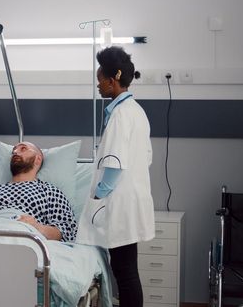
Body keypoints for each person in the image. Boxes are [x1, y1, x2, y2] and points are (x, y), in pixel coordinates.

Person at [76, 46, 154, 307]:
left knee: (125, 272)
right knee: (128, 269)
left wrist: (99, 194)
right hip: (132, 200)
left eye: (100, 81)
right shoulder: (137, 112)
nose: (98, 87)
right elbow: (147, 157)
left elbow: (115, 164)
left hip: (120, 204)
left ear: (113, 80)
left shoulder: (121, 115)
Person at [0, 142, 77, 242]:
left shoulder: (50, 191)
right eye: (14, 150)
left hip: (23, 234)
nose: (15, 152)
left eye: (23, 149)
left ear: (38, 159)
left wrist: (36, 226)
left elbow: (66, 230)